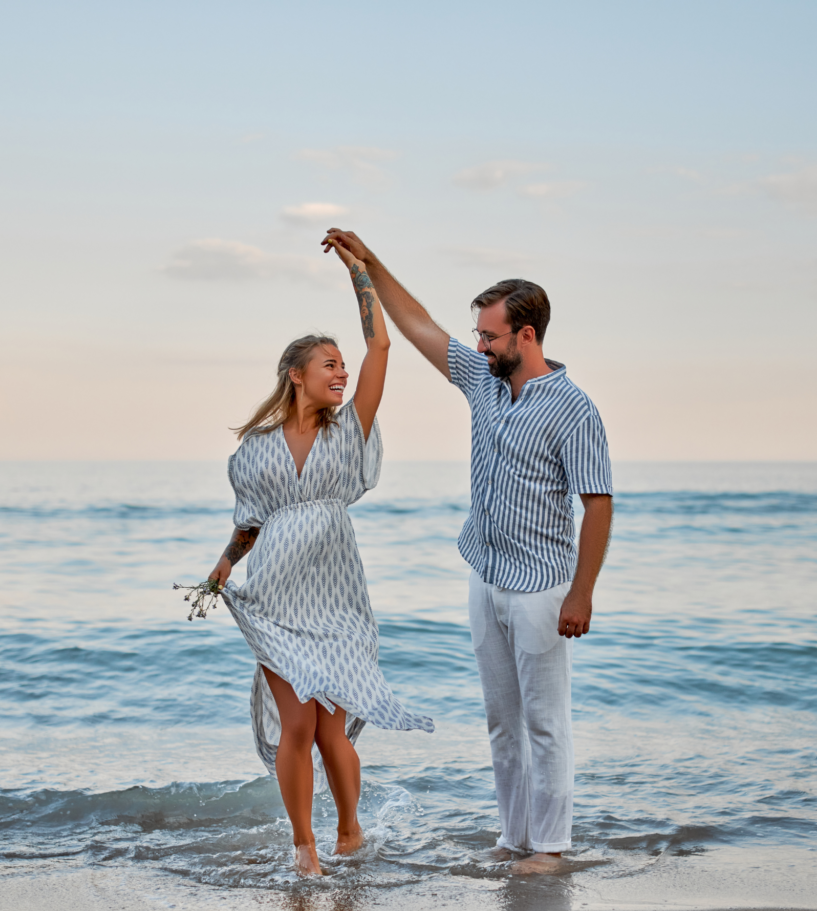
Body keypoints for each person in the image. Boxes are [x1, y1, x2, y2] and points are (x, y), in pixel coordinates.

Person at [321, 228, 613, 875]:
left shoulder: (572, 409)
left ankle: (551, 846)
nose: (477, 345)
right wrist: (368, 265)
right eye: (478, 335)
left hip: (542, 586)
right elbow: (417, 323)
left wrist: (581, 592)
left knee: (544, 724)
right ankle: (513, 840)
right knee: (500, 723)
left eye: (489, 335)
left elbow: (597, 502)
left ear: (526, 335)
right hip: (486, 576)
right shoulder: (481, 383)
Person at [208, 242, 434, 877]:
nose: (340, 374)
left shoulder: (349, 428)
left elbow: (381, 351)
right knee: (298, 727)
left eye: (342, 365)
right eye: (328, 366)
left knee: (335, 730)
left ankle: (350, 830)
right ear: (296, 375)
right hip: (275, 597)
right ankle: (304, 847)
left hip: (337, 597)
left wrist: (358, 273)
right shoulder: (255, 448)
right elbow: (249, 522)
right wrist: (225, 563)